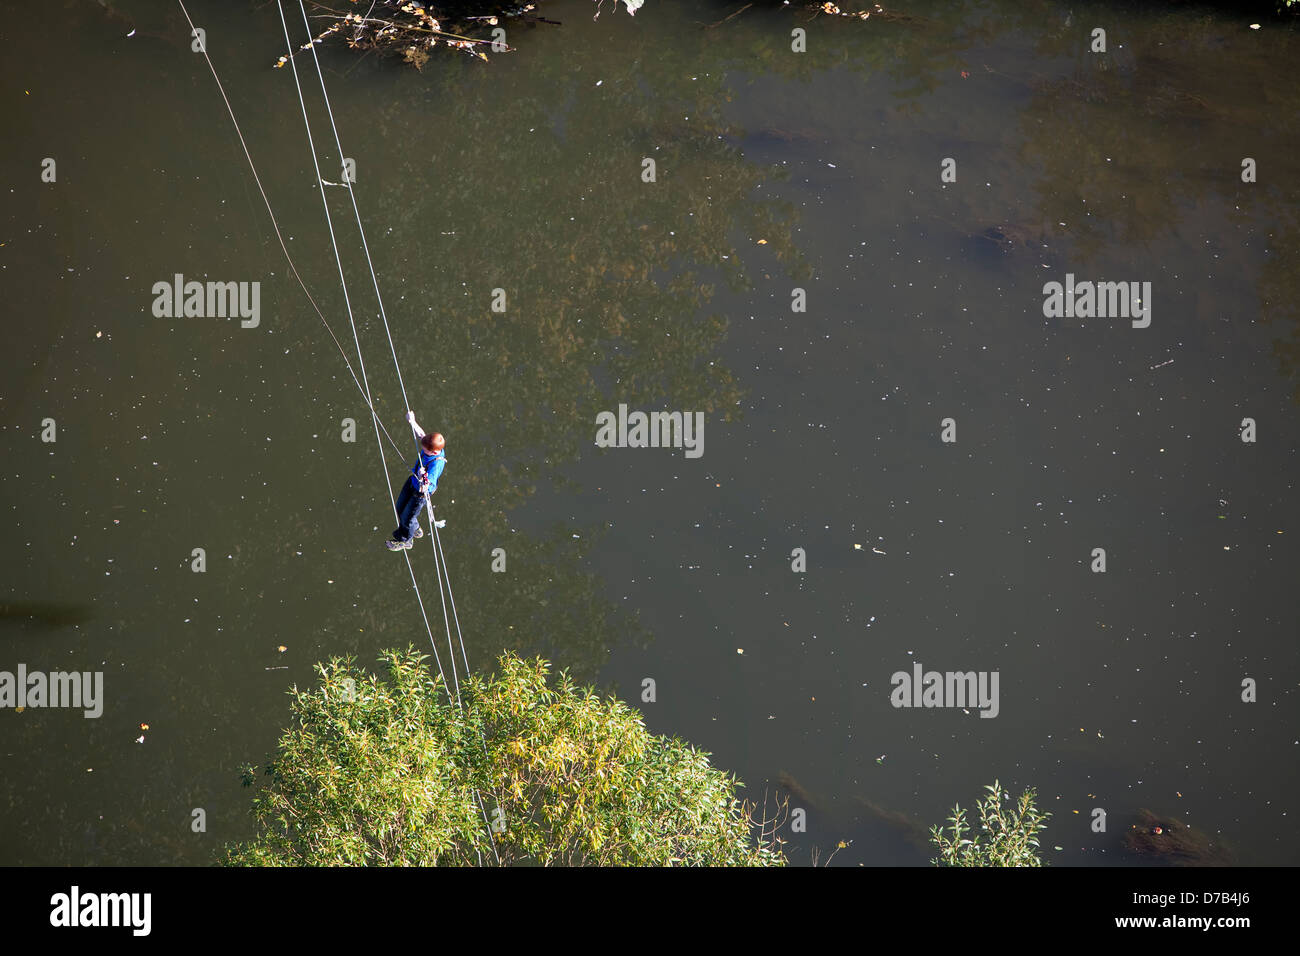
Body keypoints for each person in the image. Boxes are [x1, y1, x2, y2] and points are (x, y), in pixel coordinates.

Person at [385, 410, 445, 551]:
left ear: (434, 452)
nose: (423, 450)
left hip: (420, 492)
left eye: (426, 450)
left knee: (407, 518)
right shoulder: (433, 446)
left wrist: (421, 476)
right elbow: (422, 436)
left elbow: (424, 488)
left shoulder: (435, 465)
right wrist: (412, 421)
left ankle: (405, 541)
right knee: (399, 508)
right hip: (412, 481)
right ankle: (415, 528)